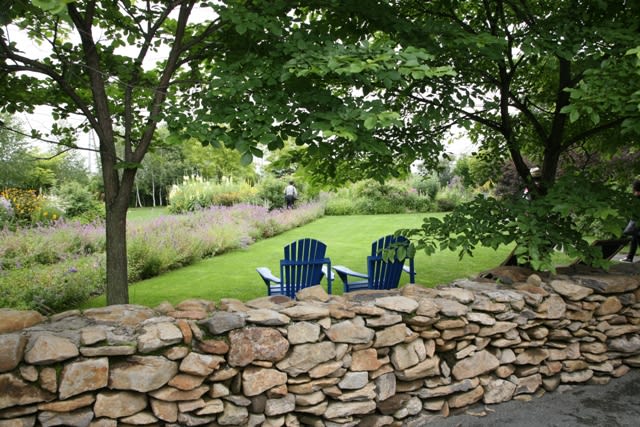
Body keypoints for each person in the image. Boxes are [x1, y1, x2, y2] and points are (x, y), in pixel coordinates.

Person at [621, 180, 640, 263]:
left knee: (637, 238)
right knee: (634, 239)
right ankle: (629, 257)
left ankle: (629, 257)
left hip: (637, 222)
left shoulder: (636, 198)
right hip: (636, 222)